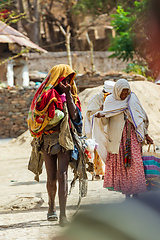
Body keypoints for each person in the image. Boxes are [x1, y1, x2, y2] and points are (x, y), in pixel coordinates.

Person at [27, 64, 82, 226]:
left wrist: (68, 95)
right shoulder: (45, 95)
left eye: (69, 79)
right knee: (51, 177)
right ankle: (51, 208)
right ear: (56, 78)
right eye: (64, 79)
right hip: (47, 140)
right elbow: (37, 113)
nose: (67, 82)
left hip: (64, 139)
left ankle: (63, 215)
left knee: (62, 175)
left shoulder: (71, 94)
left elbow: (75, 116)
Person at [95, 79, 153, 199]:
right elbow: (105, 121)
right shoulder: (110, 101)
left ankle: (136, 194)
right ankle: (127, 195)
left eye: (126, 93)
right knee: (123, 167)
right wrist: (102, 113)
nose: (124, 96)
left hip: (132, 137)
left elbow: (140, 118)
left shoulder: (132, 99)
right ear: (117, 91)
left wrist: (146, 135)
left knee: (135, 165)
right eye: (122, 93)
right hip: (118, 139)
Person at [84, 81, 115, 180]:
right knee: (98, 149)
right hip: (97, 127)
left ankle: (108, 172)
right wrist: (99, 109)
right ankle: (97, 172)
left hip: (110, 128)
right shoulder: (96, 99)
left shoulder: (115, 98)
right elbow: (89, 113)